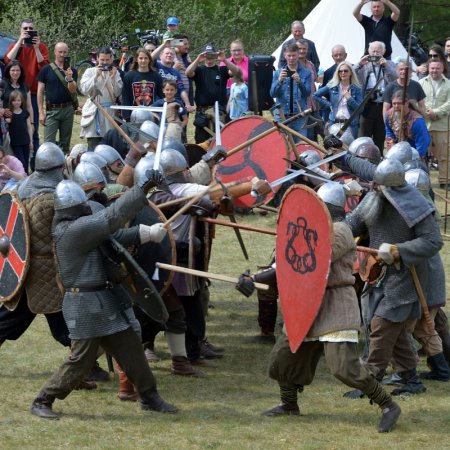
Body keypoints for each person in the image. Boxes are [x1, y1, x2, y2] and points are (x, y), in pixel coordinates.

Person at [29, 173, 178, 419]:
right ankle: (43, 399)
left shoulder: (82, 229)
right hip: (84, 304)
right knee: (80, 361)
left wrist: (147, 232)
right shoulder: (72, 231)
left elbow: (114, 238)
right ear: (75, 208)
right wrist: (142, 188)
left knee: (132, 352)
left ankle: (149, 397)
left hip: (105, 301)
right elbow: (112, 217)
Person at [261, 183, 401, 433]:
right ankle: (289, 404)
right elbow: (288, 260)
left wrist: (267, 275)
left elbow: (315, 257)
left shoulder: (341, 230)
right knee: (283, 358)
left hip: (336, 303)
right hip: (307, 303)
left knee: (343, 367)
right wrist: (257, 276)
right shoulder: (313, 228)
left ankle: (388, 405)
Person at [346, 158, 443, 397]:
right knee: (396, 332)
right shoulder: (374, 197)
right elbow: (352, 226)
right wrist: (335, 231)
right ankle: (412, 380)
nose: (374, 188)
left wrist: (399, 250)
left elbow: (433, 242)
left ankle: (368, 380)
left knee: (382, 326)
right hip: (376, 273)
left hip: (405, 278)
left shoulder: (415, 206)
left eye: (379, 185)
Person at [5, 18, 50, 153]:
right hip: (14, 94)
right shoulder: (15, 45)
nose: (28, 31)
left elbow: (44, 68)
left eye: (31, 29)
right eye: (25, 29)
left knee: (33, 129)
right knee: (13, 129)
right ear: (21, 30)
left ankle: (35, 164)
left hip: (34, 93)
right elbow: (8, 60)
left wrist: (36, 48)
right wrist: (20, 41)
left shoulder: (41, 47)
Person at [185, 44, 239, 143]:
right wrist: (197, 60)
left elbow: (236, 72)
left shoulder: (221, 70)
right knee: (201, 141)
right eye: (207, 55)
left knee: (221, 140)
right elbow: (188, 73)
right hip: (202, 112)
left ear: (215, 56)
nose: (209, 58)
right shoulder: (199, 70)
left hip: (219, 111)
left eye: (211, 55)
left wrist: (224, 60)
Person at [354, 41, 397, 152]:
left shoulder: (390, 64)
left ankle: (378, 158)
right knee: (364, 136)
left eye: (378, 51)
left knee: (380, 135)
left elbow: (396, 79)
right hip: (367, 104)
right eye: (373, 51)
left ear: (383, 52)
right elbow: (350, 74)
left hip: (384, 105)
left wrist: (386, 66)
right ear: (368, 52)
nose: (375, 53)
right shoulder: (364, 64)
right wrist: (359, 64)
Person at [37, 42, 78, 154]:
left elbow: (73, 90)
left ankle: (63, 168)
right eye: (60, 52)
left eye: (65, 52)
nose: (62, 54)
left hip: (68, 109)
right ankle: (48, 168)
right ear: (55, 52)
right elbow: (40, 92)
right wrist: (41, 112)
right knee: (48, 144)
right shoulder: (46, 69)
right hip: (52, 110)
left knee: (65, 143)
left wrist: (69, 78)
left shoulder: (72, 71)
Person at [79, 47, 123, 149]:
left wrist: (113, 79)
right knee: (93, 146)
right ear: (97, 58)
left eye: (107, 60)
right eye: (102, 60)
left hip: (109, 113)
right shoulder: (90, 71)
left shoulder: (115, 73)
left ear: (112, 59)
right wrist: (95, 76)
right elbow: (84, 90)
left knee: (109, 146)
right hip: (94, 113)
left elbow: (117, 93)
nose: (104, 62)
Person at [271, 43, 311, 142]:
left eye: (294, 55)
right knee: (282, 147)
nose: (291, 58)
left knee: (301, 147)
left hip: (299, 116)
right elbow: (272, 94)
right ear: (285, 55)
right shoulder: (278, 73)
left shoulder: (306, 72)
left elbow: (307, 94)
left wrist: (299, 82)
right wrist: (279, 81)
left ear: (298, 55)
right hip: (282, 116)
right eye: (289, 55)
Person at [419, 60, 450, 189]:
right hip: (424, 125)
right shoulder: (420, 83)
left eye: (437, 68)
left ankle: (445, 180)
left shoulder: (449, 84)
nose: (434, 70)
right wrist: (427, 112)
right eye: (432, 68)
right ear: (428, 69)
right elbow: (418, 101)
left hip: (442, 125)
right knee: (421, 154)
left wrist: (436, 112)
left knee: (444, 155)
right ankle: (422, 180)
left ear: (442, 69)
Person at [313, 61, 363, 138]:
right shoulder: (333, 86)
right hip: (334, 124)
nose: (343, 73)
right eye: (340, 71)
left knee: (350, 149)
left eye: (345, 71)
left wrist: (349, 98)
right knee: (334, 148)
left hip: (351, 125)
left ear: (351, 73)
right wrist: (329, 104)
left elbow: (360, 109)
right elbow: (315, 95)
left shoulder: (357, 89)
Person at [385, 91, 431, 159]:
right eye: (394, 103)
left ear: (407, 103)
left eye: (399, 103)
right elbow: (389, 130)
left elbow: (422, 142)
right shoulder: (389, 115)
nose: (396, 106)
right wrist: (391, 143)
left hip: (414, 152)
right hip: (397, 151)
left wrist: (417, 157)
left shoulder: (417, 121)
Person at [121, 48, 163, 121]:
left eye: (146, 58)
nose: (143, 60)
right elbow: (125, 98)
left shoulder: (156, 76)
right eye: (141, 58)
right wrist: (126, 116)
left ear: (149, 59)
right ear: (136, 59)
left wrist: (160, 112)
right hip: (133, 115)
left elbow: (162, 96)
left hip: (152, 114)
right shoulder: (129, 76)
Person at [151, 45, 194, 112]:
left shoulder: (176, 72)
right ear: (160, 56)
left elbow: (181, 89)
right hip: (158, 104)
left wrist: (187, 104)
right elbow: (150, 58)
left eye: (171, 54)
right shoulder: (156, 66)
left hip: (172, 104)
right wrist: (164, 44)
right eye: (167, 53)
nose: (169, 55)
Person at [5, 90, 33, 172]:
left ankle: (26, 179)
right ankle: (21, 179)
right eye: (14, 100)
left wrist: (30, 141)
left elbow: (29, 127)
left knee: (26, 163)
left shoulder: (25, 113)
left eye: (18, 100)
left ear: (21, 101)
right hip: (16, 143)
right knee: (21, 163)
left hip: (26, 142)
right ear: (11, 101)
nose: (16, 102)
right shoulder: (9, 113)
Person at [1, 60, 34, 126]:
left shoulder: (25, 87)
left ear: (21, 72)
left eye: (18, 70)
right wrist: (2, 110)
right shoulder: (2, 84)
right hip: (6, 122)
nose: (15, 73)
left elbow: (29, 106)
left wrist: (31, 123)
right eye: (13, 70)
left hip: (22, 122)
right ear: (8, 71)